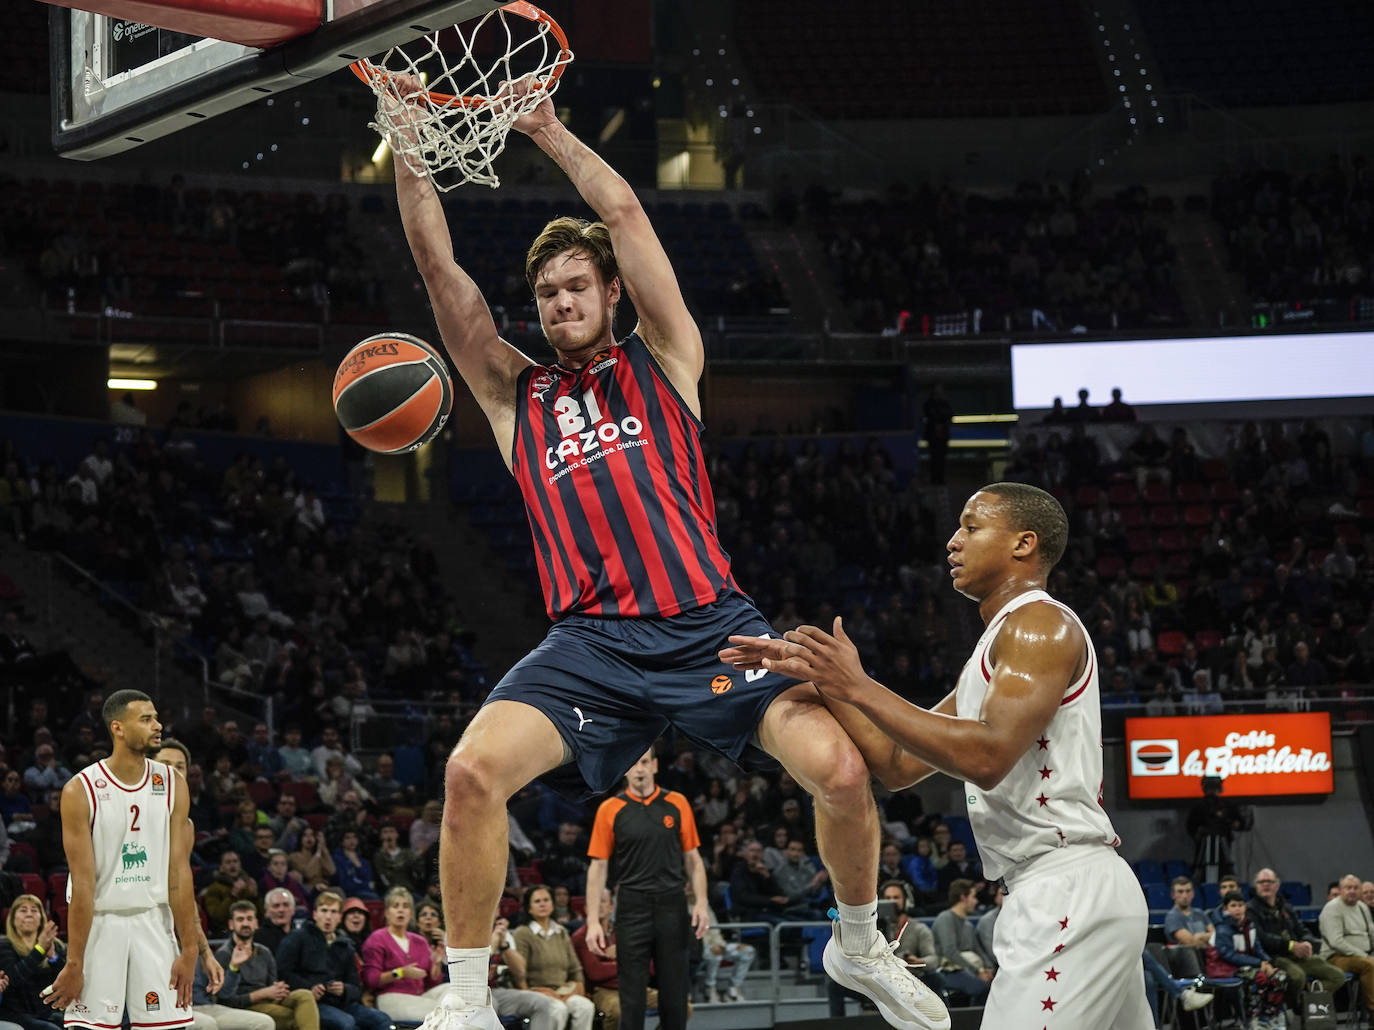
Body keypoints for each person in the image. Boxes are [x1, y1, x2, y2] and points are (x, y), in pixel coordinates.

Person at [379, 69, 944, 1030]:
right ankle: (467, 1000)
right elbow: (444, 280)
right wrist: (409, 150)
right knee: (471, 773)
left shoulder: (666, 359)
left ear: (609, 292)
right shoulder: (521, 400)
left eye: (575, 287)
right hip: (590, 649)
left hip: (713, 631)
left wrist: (550, 131)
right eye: (546, 294)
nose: (559, 304)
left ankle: (856, 944)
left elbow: (629, 215)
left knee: (844, 772)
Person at [724, 482, 1153, 1028]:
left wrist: (858, 686)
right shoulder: (995, 646)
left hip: (1066, 889)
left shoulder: (1039, 625)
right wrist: (825, 679)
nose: (953, 541)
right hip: (1065, 888)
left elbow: (988, 757)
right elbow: (898, 765)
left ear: (1024, 544)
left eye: (972, 527)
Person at [43, 690, 198, 1027]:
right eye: (146, 719)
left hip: (154, 921)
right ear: (118, 728)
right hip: (101, 923)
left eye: (156, 717)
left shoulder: (173, 783)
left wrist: (190, 949)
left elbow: (179, 874)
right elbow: (83, 885)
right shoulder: (80, 790)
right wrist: (74, 962)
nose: (158, 725)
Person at [583, 748, 706, 1030]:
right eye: (632, 763)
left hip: (672, 906)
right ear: (623, 768)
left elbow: (693, 860)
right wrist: (592, 921)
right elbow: (598, 867)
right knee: (632, 997)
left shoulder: (677, 803)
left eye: (644, 762)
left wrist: (700, 903)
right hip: (631, 906)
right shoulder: (609, 809)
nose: (639, 769)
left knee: (675, 995)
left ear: (654, 766)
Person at [276, 892, 389, 1030]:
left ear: (340, 917)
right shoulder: (297, 938)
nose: (328, 917)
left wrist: (344, 989)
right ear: (315, 914)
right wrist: (309, 987)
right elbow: (283, 972)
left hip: (342, 1003)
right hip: (313, 1003)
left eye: (334, 912)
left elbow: (355, 986)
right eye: (324, 911)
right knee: (347, 1024)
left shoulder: (346, 945)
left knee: (382, 1020)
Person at [211, 902, 320, 1030]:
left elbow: (272, 984)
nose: (245, 923)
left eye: (249, 919)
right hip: (245, 1006)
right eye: (240, 919)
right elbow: (225, 1000)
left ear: (256, 924)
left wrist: (278, 989)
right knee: (297, 1017)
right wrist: (262, 994)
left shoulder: (264, 952)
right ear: (231, 924)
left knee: (305, 995)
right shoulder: (223, 955)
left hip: (269, 999)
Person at [511, 886, 593, 1030]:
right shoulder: (522, 934)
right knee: (557, 1009)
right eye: (537, 901)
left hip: (562, 990)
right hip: (536, 992)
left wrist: (577, 988)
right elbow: (519, 974)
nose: (542, 904)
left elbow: (575, 968)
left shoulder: (561, 932)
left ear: (553, 905)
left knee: (585, 1007)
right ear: (529, 908)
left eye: (546, 900)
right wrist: (529, 993)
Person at [360, 887, 447, 1020]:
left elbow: (432, 983)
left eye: (405, 906)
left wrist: (436, 966)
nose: (400, 910)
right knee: (440, 1014)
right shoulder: (377, 938)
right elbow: (371, 980)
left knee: (451, 989)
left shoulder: (420, 941)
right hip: (391, 998)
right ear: (387, 913)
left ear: (411, 913)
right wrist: (401, 972)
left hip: (420, 997)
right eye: (395, 906)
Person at [1210, 891, 1287, 1030]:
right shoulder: (1222, 929)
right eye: (1233, 905)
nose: (1238, 908)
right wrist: (1259, 964)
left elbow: (1258, 949)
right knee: (1259, 977)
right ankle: (1252, 1019)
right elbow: (1228, 956)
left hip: (1247, 965)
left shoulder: (1249, 925)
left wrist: (1268, 963)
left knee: (1279, 976)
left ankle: (1270, 1016)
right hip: (1226, 969)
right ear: (1225, 909)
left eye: (1240, 905)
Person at [485, 916, 565, 1030]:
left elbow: (520, 972)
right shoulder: (462, 930)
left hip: (495, 991)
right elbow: (473, 972)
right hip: (462, 991)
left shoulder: (501, 933)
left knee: (542, 1003)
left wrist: (504, 945)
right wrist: (491, 946)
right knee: (488, 1007)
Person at [0, 894, 65, 1030]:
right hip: (15, 1013)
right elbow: (13, 979)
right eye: (23, 910)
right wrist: (39, 949)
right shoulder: (4, 945)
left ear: (41, 917)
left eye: (34, 910)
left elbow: (64, 980)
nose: (29, 914)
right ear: (12, 918)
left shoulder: (56, 945)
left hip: (48, 1012)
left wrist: (53, 957)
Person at [686, 883, 754, 1004]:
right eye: (686, 885)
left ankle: (733, 988)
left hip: (716, 944)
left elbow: (715, 930)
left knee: (747, 951)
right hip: (697, 949)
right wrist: (711, 947)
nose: (690, 887)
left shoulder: (705, 907)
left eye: (692, 884)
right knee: (714, 954)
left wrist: (722, 945)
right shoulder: (678, 909)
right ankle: (709, 989)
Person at [1319, 874, 1374, 1021]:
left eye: (1356, 888)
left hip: (1363, 955)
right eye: (1348, 887)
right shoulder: (1332, 908)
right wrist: (1364, 955)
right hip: (1335, 957)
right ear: (1341, 890)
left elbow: (1371, 933)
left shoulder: (1362, 907)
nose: (1352, 891)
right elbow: (1336, 942)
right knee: (1368, 965)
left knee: (1369, 963)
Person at [881, 881, 948, 1001]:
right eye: (888, 898)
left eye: (896, 898)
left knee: (937, 979)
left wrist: (919, 961)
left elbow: (933, 960)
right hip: (881, 980)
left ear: (907, 901)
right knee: (836, 984)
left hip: (911, 978)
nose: (892, 902)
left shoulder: (919, 929)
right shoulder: (876, 929)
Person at [929, 880, 993, 1003]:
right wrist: (977, 972)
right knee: (982, 987)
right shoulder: (945, 919)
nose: (976, 901)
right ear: (963, 898)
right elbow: (950, 952)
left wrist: (988, 969)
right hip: (948, 971)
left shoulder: (968, 926)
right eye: (973, 897)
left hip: (967, 969)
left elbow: (978, 950)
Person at [256, 888, 301, 955]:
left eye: (286, 905)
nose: (281, 910)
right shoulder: (258, 938)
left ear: (293, 909)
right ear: (267, 911)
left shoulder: (302, 935)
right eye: (276, 906)